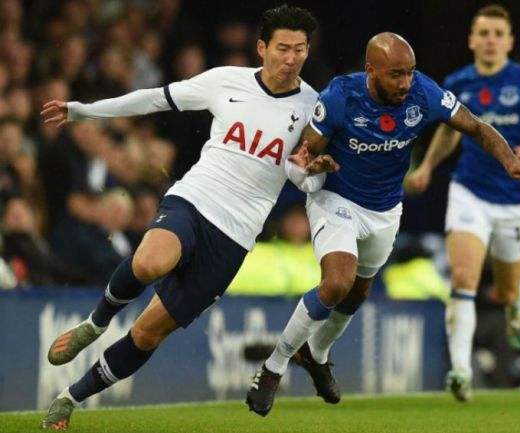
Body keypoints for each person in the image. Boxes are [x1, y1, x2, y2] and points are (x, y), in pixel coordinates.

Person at [38, 5, 337, 430]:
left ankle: (69, 398)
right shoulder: (225, 81)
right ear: (262, 48)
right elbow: (154, 99)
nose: (291, 58)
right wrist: (84, 110)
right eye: (283, 48)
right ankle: (96, 321)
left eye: (301, 50)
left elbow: (300, 176)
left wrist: (311, 174)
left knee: (147, 334)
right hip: (195, 200)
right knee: (148, 263)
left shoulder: (313, 107)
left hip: (234, 237)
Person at [246, 31, 520, 417]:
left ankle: (315, 353)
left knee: (357, 295)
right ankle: (273, 368)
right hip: (336, 201)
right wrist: (310, 167)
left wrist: (510, 161)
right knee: (337, 283)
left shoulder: (424, 93)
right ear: (371, 70)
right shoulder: (340, 96)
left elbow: (477, 127)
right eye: (396, 75)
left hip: (386, 210)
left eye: (410, 73)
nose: (405, 83)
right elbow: (302, 156)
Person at [406, 4, 520, 401]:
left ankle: (516, 299)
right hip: (470, 191)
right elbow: (449, 133)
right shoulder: (458, 83)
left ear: (509, 42)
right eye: (483, 33)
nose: (490, 40)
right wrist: (428, 165)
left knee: (504, 289)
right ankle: (461, 371)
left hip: (516, 200)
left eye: (498, 33)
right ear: (471, 40)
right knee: (463, 279)